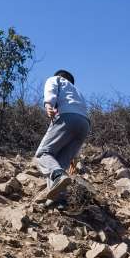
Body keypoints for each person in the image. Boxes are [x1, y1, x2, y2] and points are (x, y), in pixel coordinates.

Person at [34, 70, 90, 198]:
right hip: (84, 125)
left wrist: (48, 104)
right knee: (58, 164)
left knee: (43, 154)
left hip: (67, 117)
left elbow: (51, 88)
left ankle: (58, 175)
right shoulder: (78, 92)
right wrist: (74, 157)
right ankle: (58, 199)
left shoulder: (56, 79)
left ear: (59, 76)